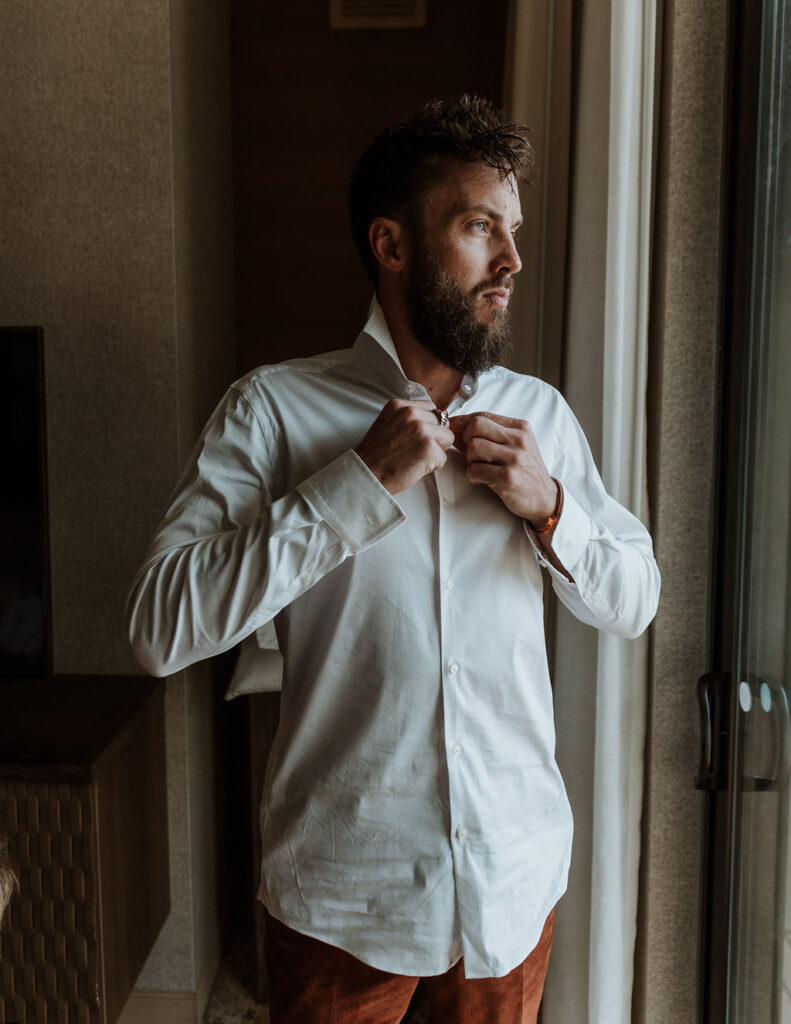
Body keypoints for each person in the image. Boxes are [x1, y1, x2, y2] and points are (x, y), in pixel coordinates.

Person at [127, 95, 660, 1024]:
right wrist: (352, 487)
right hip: (344, 892)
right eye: (477, 226)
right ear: (392, 244)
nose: (511, 261)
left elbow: (635, 598)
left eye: (513, 229)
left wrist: (553, 509)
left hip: (510, 878)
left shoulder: (543, 420)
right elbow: (159, 628)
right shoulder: (274, 411)